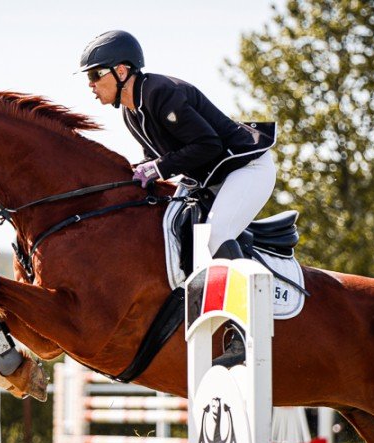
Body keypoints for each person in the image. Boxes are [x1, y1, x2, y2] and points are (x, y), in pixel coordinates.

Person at [79, 30, 277, 366]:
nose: (91, 86)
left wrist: (157, 168)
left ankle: (243, 331)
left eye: (97, 75)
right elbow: (155, 159)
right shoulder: (131, 112)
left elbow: (208, 146)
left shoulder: (160, 92)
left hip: (247, 169)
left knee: (215, 234)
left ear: (122, 71)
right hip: (210, 179)